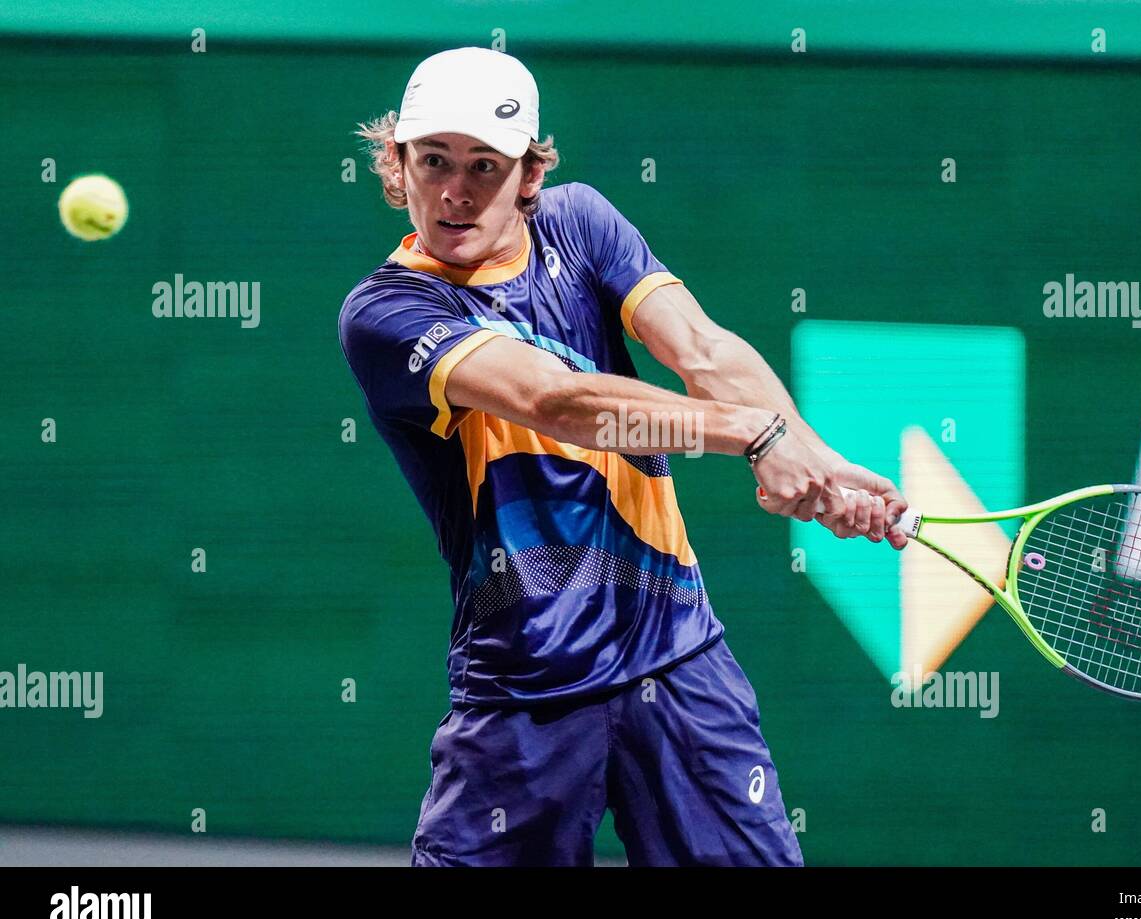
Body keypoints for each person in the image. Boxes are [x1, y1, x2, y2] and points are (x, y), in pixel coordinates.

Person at [339, 46, 908, 866]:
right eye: (433, 161)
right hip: (525, 692)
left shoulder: (580, 221)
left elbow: (705, 351)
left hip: (679, 660)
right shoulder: (386, 311)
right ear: (398, 164)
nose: (455, 192)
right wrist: (757, 437)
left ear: (529, 174)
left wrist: (815, 462)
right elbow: (559, 403)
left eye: (484, 167)